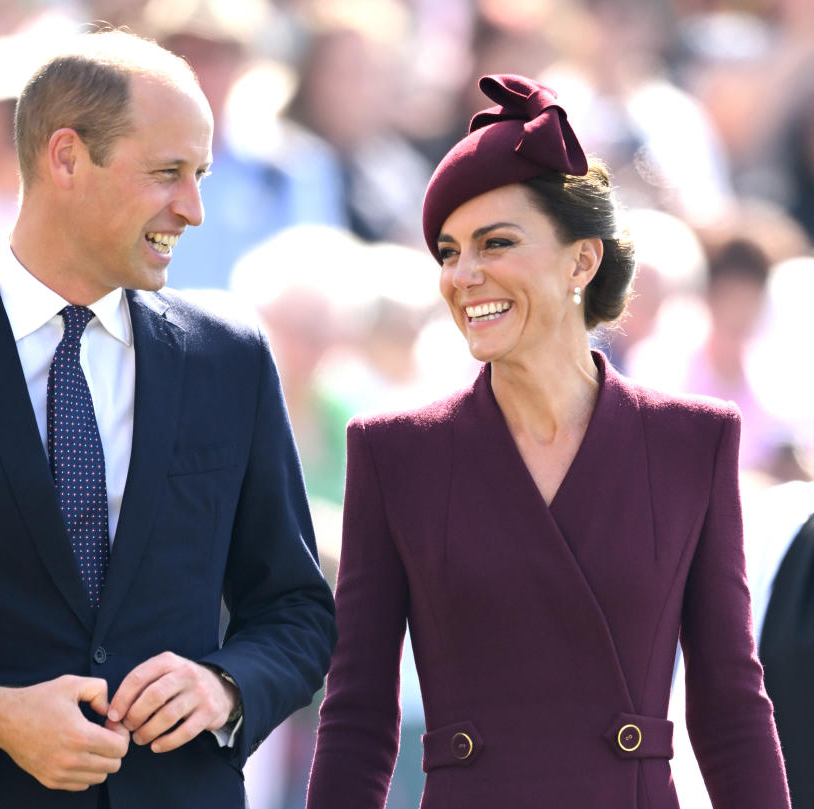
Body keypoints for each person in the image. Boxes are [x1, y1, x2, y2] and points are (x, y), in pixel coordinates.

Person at [0, 29, 335, 809]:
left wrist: (224, 686)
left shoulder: (230, 357)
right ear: (66, 157)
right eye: (168, 173)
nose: (195, 209)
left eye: (201, 174)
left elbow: (297, 609)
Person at [306, 74, 789, 809]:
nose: (464, 275)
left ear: (581, 260)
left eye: (495, 243)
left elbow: (729, 705)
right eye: (448, 250)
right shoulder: (393, 452)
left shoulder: (695, 440)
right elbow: (358, 717)